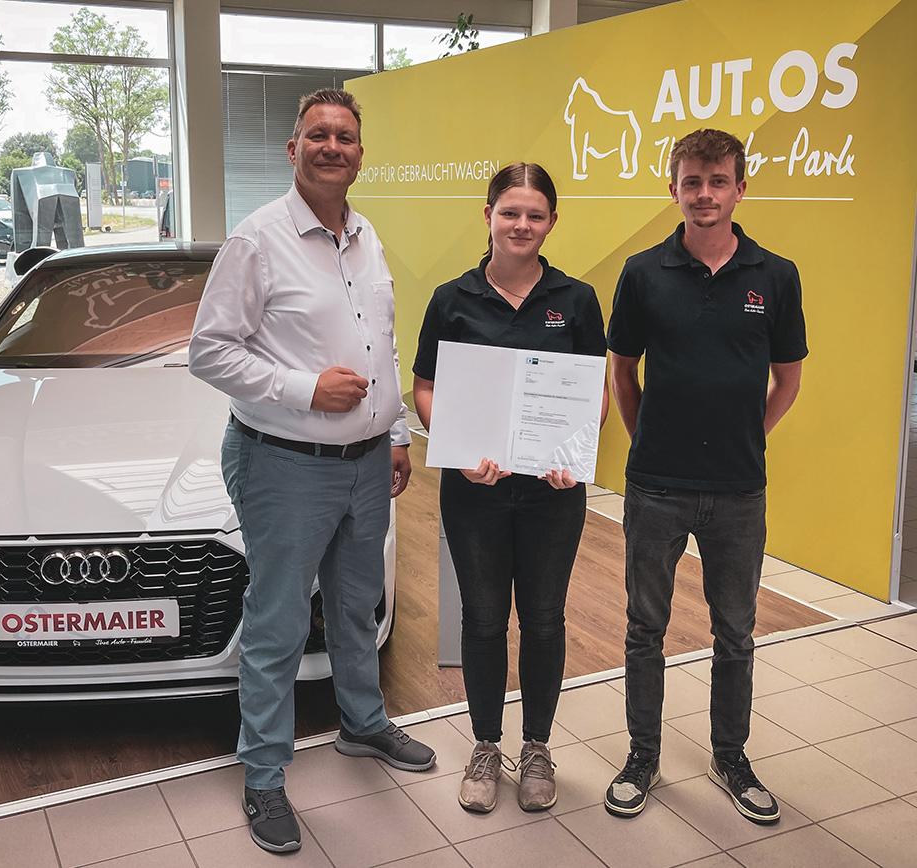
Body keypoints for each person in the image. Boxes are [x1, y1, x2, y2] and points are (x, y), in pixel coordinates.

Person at [189, 88, 435, 854]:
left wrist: (395, 429)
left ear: (360, 153)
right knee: (279, 623)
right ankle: (263, 776)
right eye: (318, 135)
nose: (334, 146)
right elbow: (209, 350)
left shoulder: (367, 237)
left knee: (359, 607)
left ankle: (363, 726)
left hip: (367, 467)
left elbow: (382, 347)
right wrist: (305, 390)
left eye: (347, 136)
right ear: (292, 150)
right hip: (285, 465)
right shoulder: (258, 240)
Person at [604, 128, 806, 824]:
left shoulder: (775, 276)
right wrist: (646, 442)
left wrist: (750, 437)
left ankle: (731, 756)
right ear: (674, 189)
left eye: (719, 181)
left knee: (736, 634)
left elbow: (788, 379)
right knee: (643, 629)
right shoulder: (641, 272)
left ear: (740, 189)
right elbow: (623, 371)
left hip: (739, 489)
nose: (705, 195)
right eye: (692, 181)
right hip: (656, 484)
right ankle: (642, 755)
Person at [412, 162, 608, 814]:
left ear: (551, 221)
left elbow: (593, 393)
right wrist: (461, 450)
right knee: (484, 619)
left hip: (553, 492)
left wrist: (572, 451)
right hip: (476, 493)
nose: (521, 225)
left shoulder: (577, 300)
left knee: (546, 619)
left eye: (535, 214)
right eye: (509, 212)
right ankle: (487, 745)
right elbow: (426, 387)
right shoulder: (452, 298)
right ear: (489, 215)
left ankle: (538, 748)